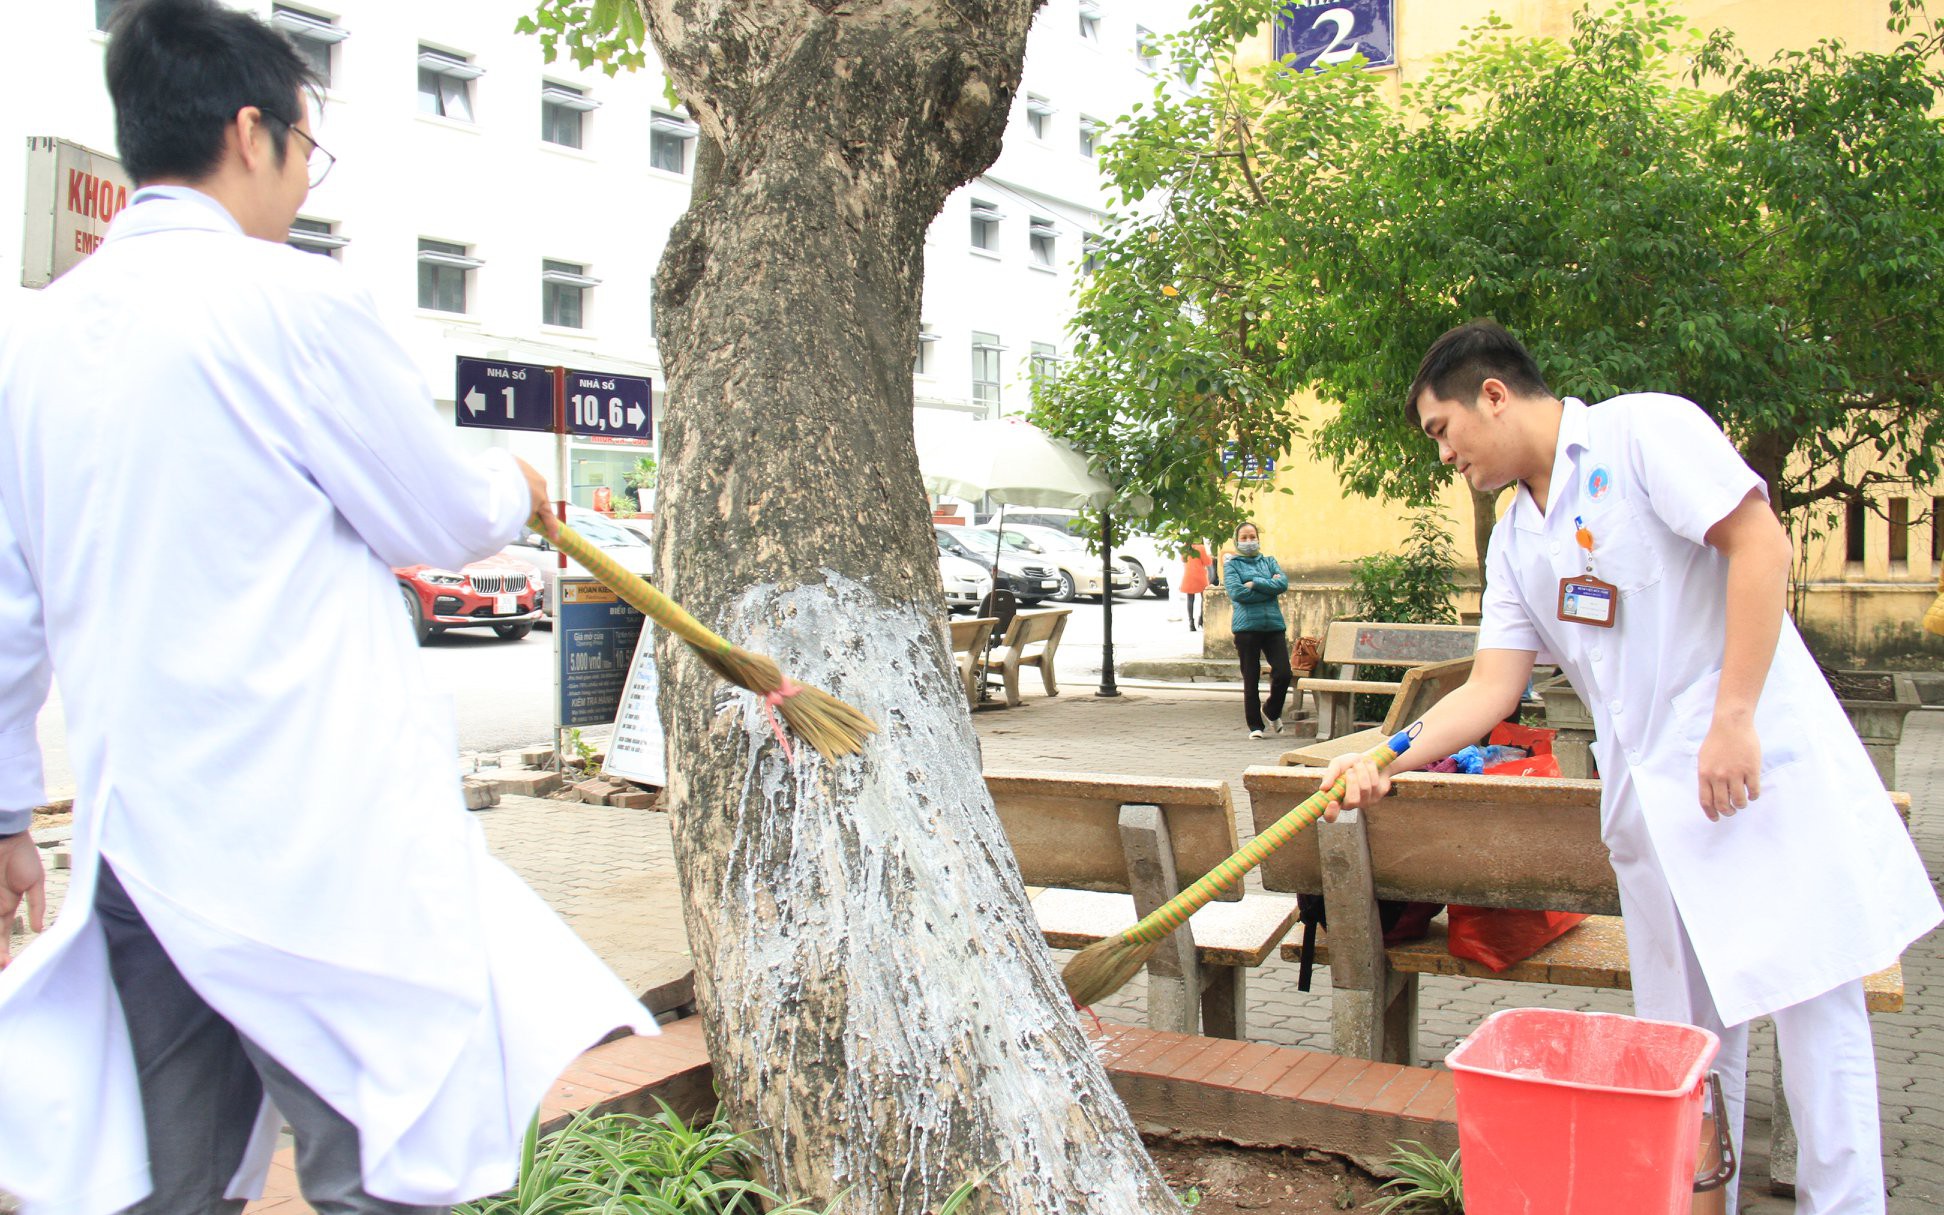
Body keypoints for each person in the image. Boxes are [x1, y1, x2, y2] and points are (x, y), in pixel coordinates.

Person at [0, 2, 654, 1212]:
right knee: (377, 1161)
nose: (303, 182)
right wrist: (506, 490)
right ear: (252, 133)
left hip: (140, 846)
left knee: (165, 1177)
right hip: (312, 849)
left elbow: (9, 615)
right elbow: (433, 514)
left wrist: (0, 816)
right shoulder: (291, 304)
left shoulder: (34, 341)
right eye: (309, 149)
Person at [1322, 319, 1940, 1214]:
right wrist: (1381, 753)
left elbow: (1762, 545)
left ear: (1492, 394)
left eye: (1441, 429)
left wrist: (1732, 718)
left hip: (1750, 775)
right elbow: (1492, 687)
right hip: (1652, 808)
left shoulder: (1644, 431)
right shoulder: (1513, 536)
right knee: (1686, 1042)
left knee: (1814, 1008)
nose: (1444, 453)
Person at [1224, 523, 1293, 739]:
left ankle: (1271, 710)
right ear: (1237, 541)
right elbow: (1238, 593)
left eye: (1252, 536)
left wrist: (1253, 583)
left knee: (1284, 672)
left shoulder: (1269, 561)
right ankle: (1255, 726)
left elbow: (1282, 584)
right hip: (1246, 628)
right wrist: (1267, 587)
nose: (1248, 541)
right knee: (1251, 677)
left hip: (1273, 625)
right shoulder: (1231, 565)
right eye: (1243, 537)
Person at [1177, 541, 1213, 631]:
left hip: (1188, 575)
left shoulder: (1185, 547)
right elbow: (1207, 562)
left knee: (1190, 599)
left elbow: (1182, 559)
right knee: (1203, 598)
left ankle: (1191, 623)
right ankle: (1201, 619)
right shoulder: (1201, 547)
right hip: (1200, 575)